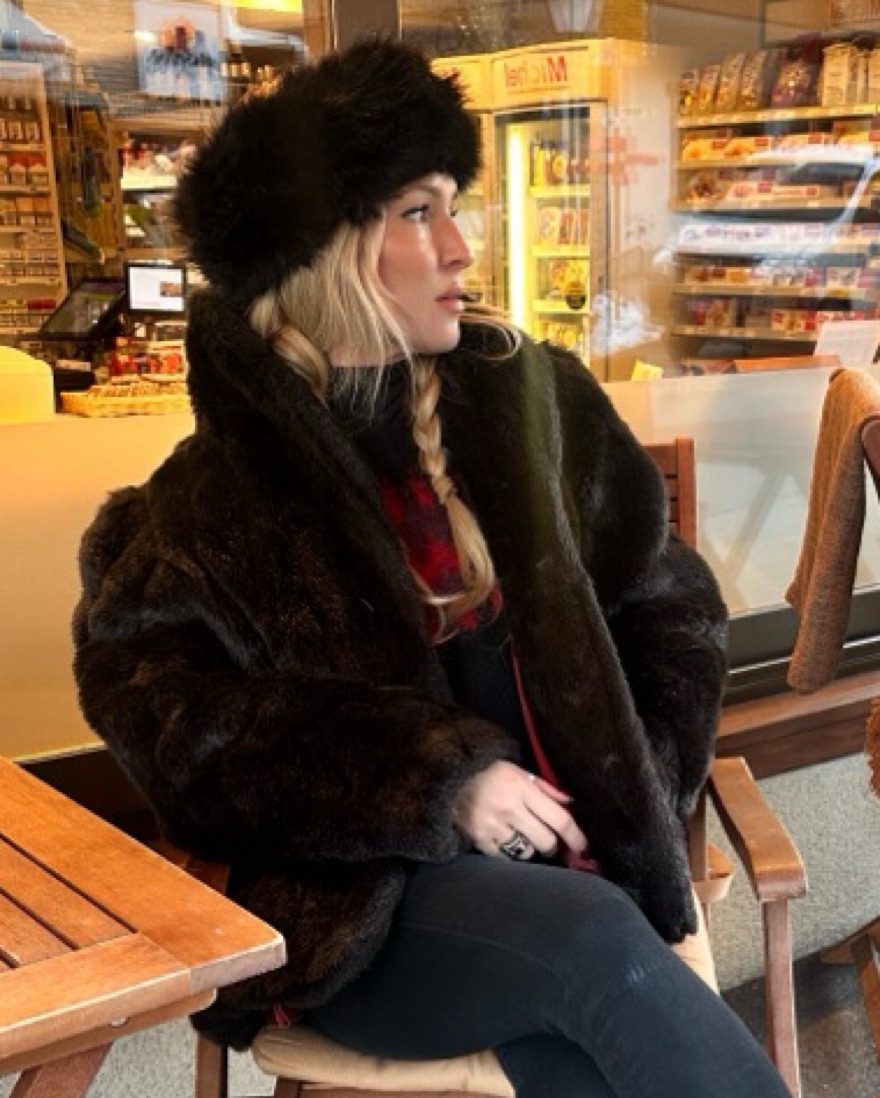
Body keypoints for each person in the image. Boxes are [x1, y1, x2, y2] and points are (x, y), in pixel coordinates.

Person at [72, 37, 790, 1098]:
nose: (461, 247)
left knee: (582, 1045)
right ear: (327, 252)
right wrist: (435, 778)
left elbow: (670, 605)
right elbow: (173, 730)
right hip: (366, 915)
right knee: (593, 944)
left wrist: (639, 771)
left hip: (571, 877)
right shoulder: (207, 503)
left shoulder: (536, 415)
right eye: (417, 212)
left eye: (456, 206)